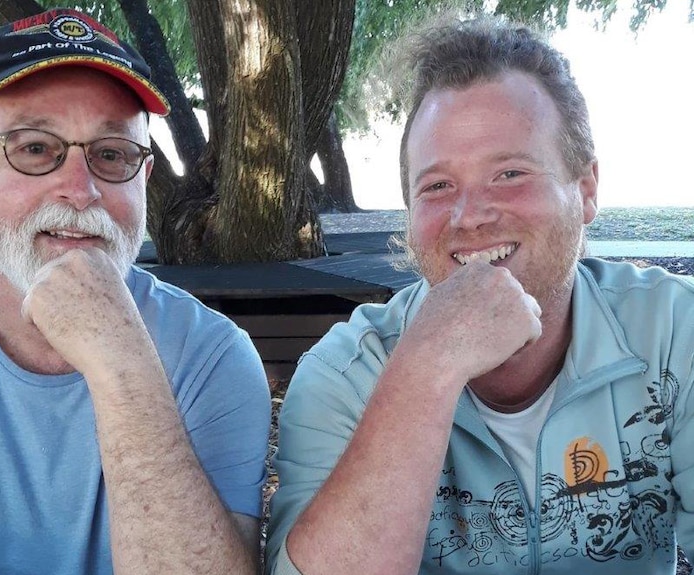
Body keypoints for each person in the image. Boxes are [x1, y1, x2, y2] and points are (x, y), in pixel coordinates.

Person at [0, 8, 271, 575]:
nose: (79, 189)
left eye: (112, 154)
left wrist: (122, 366)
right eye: (35, 148)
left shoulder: (213, 358)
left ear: (145, 178)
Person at [266, 15, 694, 575]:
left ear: (585, 191)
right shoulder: (345, 374)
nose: (469, 217)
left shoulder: (672, 333)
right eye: (438, 186)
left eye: (510, 173)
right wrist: (427, 368)